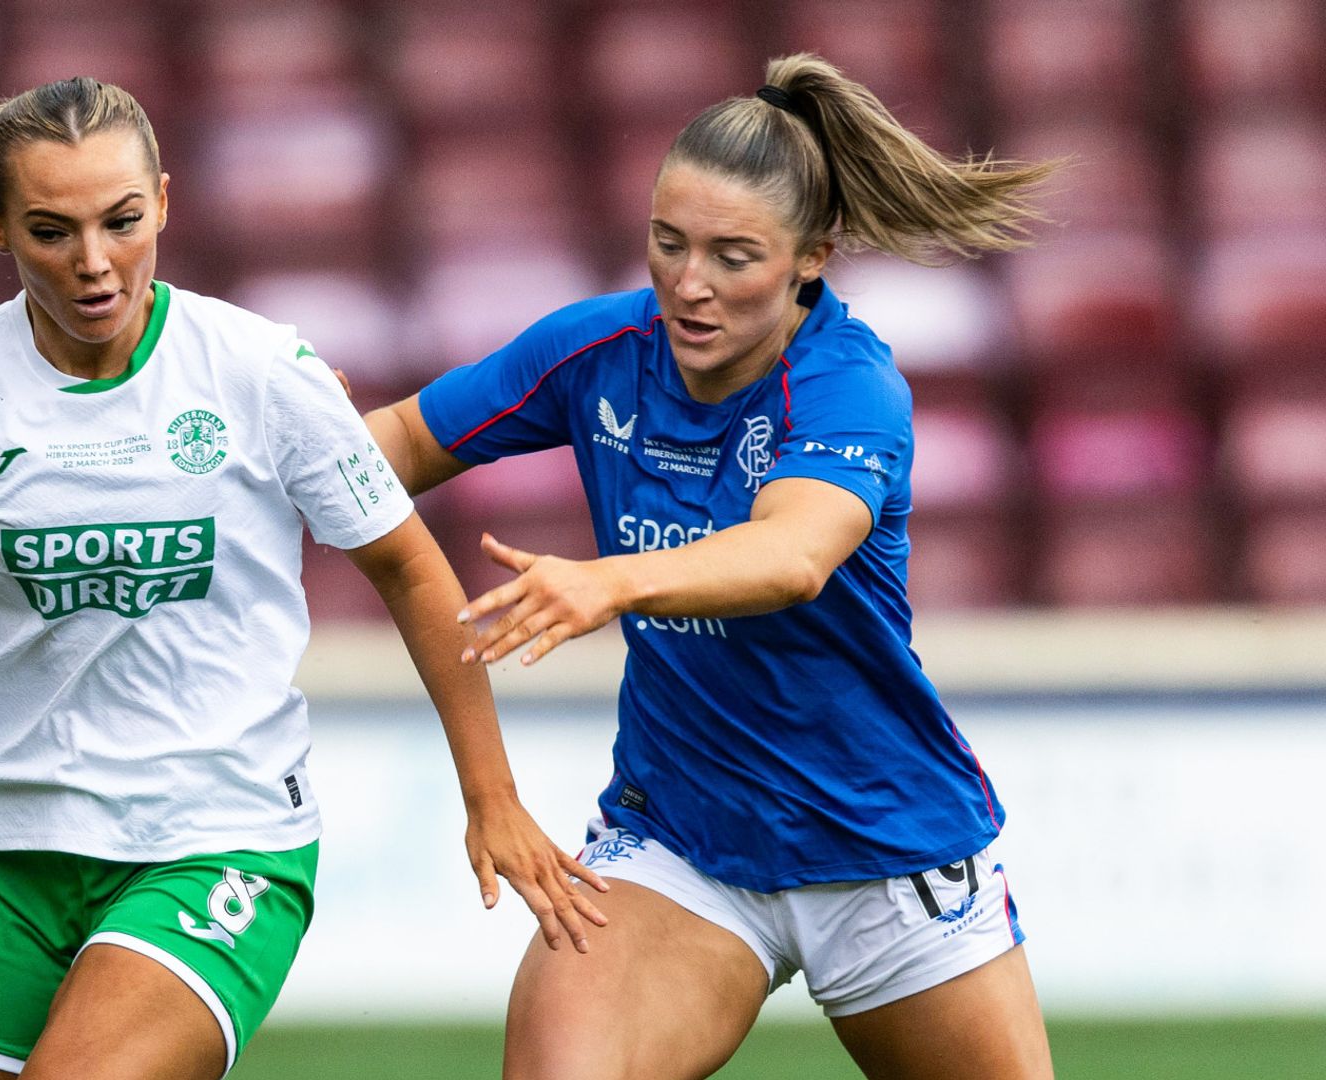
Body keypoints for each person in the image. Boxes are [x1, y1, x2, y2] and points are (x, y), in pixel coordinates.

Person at [0, 76, 606, 1080]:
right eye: (52, 231)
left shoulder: (258, 371)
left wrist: (490, 795)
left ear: (164, 203)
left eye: (122, 222)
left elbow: (406, 566)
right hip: (11, 856)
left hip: (220, 837)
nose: (95, 263)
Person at [363, 54, 1063, 1079]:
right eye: (668, 245)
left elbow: (795, 554)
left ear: (812, 257)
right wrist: (272, 425)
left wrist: (610, 581)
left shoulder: (846, 384)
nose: (690, 286)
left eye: (734, 256)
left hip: (883, 843)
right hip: (682, 842)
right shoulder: (597, 351)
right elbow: (394, 446)